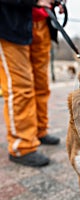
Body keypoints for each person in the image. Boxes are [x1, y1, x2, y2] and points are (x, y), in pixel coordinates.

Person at [0, 0, 65, 167]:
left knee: (41, 86)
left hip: (40, 22)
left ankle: (39, 131)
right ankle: (21, 146)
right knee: (20, 87)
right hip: (10, 22)